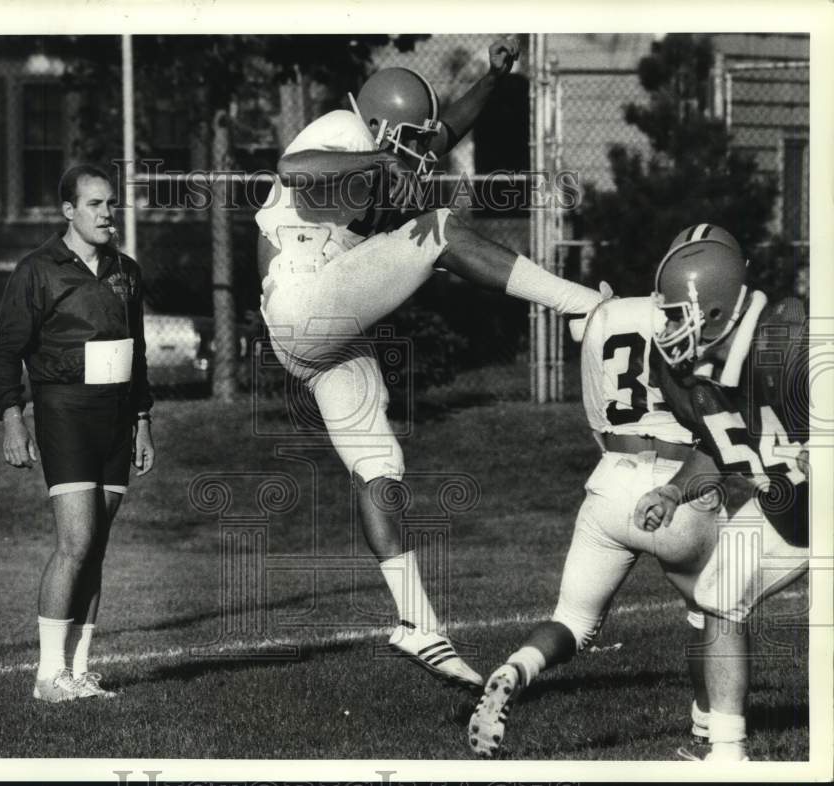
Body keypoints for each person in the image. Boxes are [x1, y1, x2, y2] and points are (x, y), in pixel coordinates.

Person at [255, 37, 605, 689]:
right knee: (437, 229)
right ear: (381, 128)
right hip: (301, 301)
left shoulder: (391, 144)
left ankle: (419, 626)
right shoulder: (342, 127)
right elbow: (296, 166)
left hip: (322, 335)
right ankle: (587, 307)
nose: (424, 153)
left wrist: (494, 77)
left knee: (381, 470)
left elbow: (450, 127)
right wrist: (377, 159)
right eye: (409, 141)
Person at [467, 294, 722, 757]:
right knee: (714, 611)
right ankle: (708, 728)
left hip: (611, 477)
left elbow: (594, 416)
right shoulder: (699, 314)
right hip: (678, 480)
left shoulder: (606, 312)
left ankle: (516, 668)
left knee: (573, 621)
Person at [632, 224, 809, 761]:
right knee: (719, 594)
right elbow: (722, 448)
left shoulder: (791, 343)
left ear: (713, 310)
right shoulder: (693, 370)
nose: (667, 329)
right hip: (794, 506)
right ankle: (728, 755)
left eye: (674, 315)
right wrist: (672, 491)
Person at [0, 164, 156, 702]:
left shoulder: (126, 271)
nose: (108, 213)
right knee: (77, 542)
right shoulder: (38, 270)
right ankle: (46, 676)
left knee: (97, 547)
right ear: (68, 210)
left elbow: (140, 354)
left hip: (116, 418)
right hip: (64, 413)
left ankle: (78, 673)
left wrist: (143, 421)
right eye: (95, 204)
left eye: (111, 203)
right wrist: (13, 416)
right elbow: (5, 353)